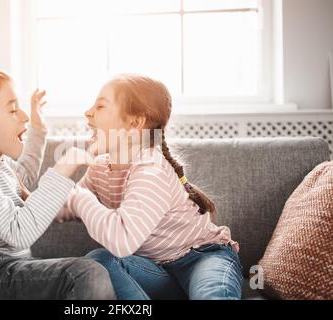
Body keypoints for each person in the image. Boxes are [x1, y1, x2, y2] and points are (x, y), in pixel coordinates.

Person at [0, 67, 115, 300]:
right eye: (13, 110)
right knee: (84, 274)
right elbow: (18, 232)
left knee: (95, 266)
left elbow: (23, 177)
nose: (24, 116)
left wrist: (38, 130)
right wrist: (64, 168)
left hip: (8, 269)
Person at [56, 74, 243, 300]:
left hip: (202, 258)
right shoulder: (100, 169)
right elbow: (63, 208)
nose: (88, 112)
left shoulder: (150, 170)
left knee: (212, 296)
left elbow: (121, 240)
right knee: (100, 263)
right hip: (154, 272)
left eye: (101, 106)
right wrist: (25, 198)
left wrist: (79, 197)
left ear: (134, 124)